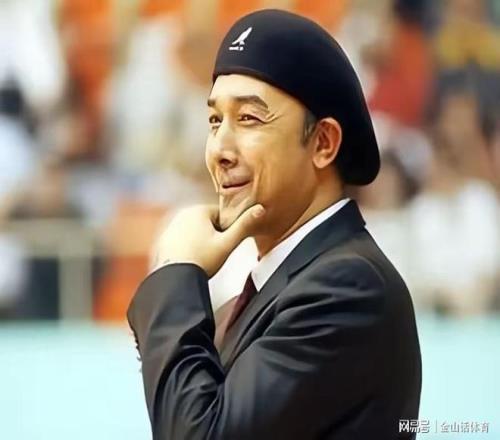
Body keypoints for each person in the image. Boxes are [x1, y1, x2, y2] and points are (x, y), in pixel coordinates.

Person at [127, 9, 421, 439]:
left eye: (248, 118)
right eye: (214, 121)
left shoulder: (348, 287)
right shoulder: (262, 297)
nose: (219, 150)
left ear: (323, 143)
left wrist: (177, 272)